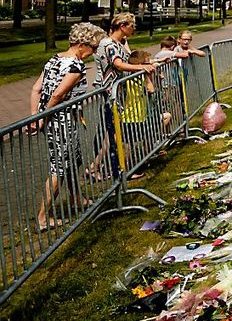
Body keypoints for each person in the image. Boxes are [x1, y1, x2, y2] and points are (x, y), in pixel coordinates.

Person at [29, 22, 106, 231]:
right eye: (93, 47)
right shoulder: (75, 66)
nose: (94, 52)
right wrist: (42, 117)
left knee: (72, 161)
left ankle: (76, 198)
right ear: (82, 44)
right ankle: (43, 217)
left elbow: (36, 89)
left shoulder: (54, 60)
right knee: (59, 169)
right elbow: (57, 95)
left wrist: (35, 115)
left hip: (59, 120)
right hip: (60, 122)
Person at [89, 13, 155, 179]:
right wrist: (141, 68)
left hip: (118, 93)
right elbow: (117, 64)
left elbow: (129, 57)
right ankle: (115, 170)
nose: (134, 29)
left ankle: (107, 168)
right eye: (132, 26)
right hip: (111, 92)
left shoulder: (119, 43)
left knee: (113, 132)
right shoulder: (108, 44)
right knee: (114, 132)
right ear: (123, 26)